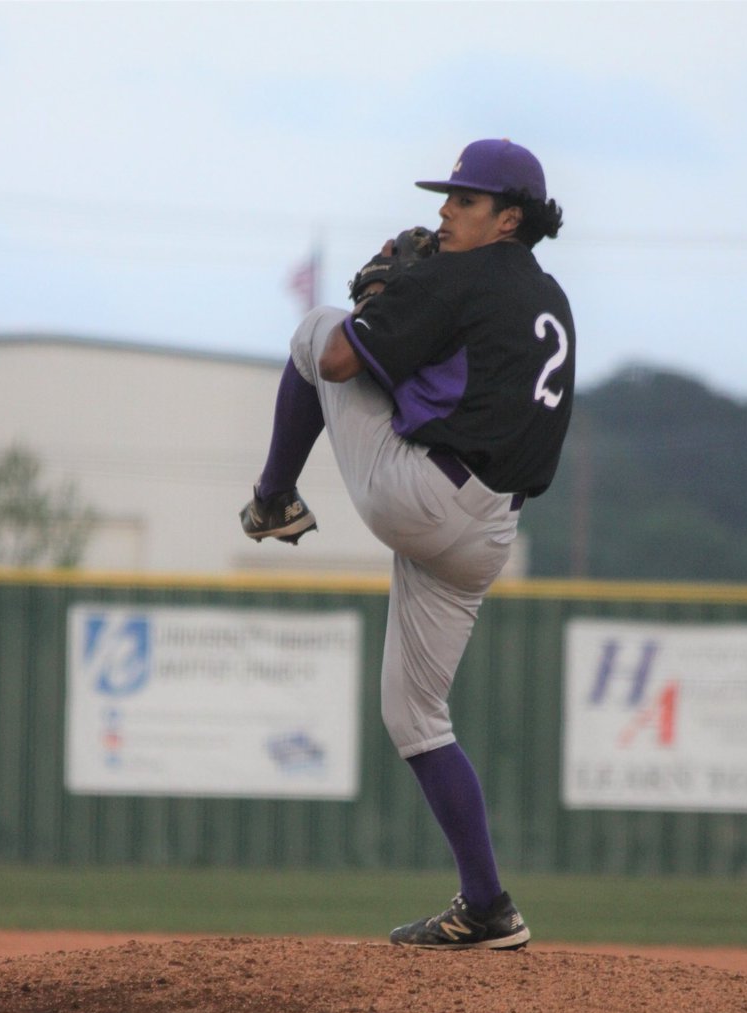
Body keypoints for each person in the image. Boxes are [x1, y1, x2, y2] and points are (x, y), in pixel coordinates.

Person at [240, 138, 575, 949]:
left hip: (424, 499)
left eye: (464, 200)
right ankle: (488, 907)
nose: (444, 211)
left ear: (508, 218)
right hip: (488, 529)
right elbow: (461, 377)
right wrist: (411, 305)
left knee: (315, 327)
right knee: (415, 716)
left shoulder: (461, 274)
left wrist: (384, 303)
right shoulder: (551, 297)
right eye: (448, 197)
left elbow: (341, 358)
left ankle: (272, 499)